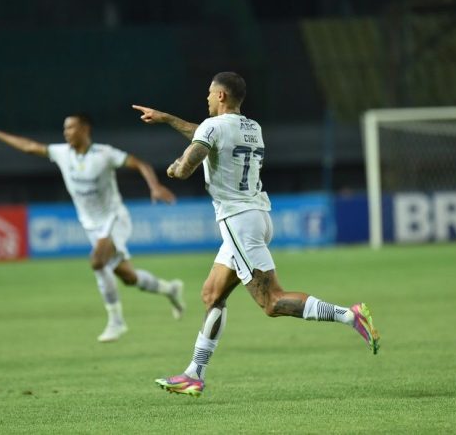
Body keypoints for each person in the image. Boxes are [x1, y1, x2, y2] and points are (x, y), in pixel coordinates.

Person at [133, 71, 379, 398]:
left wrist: (175, 167)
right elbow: (206, 135)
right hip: (258, 216)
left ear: (220, 96)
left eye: (209, 92)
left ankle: (350, 315)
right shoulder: (252, 127)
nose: (206, 98)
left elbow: (189, 164)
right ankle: (194, 373)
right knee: (211, 294)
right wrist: (167, 119)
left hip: (239, 223)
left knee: (272, 302)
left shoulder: (213, 129)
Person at [0, 112, 185, 342]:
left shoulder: (104, 154)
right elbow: (30, 147)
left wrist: (154, 186)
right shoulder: (62, 153)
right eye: (65, 128)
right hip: (92, 226)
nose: (66, 132)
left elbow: (140, 163)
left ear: (85, 129)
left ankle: (116, 321)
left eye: (71, 127)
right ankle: (169, 289)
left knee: (96, 261)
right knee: (128, 277)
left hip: (115, 219)